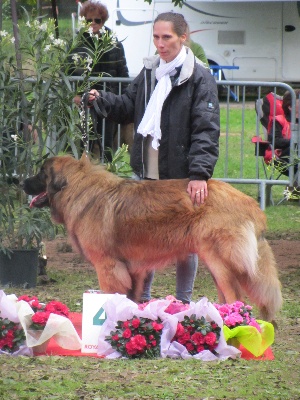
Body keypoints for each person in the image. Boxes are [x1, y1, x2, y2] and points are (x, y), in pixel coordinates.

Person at [88, 12, 220, 303]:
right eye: (156, 37)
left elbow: (206, 129)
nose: (160, 44)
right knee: (143, 242)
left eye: (167, 37)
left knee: (185, 244)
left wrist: (199, 174)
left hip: (179, 176)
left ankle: (183, 303)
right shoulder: (149, 71)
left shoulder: (199, 77)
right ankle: (143, 301)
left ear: (183, 37)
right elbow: (127, 106)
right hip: (145, 174)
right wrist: (103, 100)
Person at [72, 1, 129, 160]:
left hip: (108, 100)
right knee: (84, 142)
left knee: (107, 141)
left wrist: (123, 99)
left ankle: (108, 173)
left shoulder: (114, 43)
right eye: (89, 20)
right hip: (84, 101)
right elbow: (69, 70)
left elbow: (123, 73)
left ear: (103, 21)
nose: (94, 24)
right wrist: (74, 95)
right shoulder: (78, 43)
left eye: (98, 20)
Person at [267, 89, 300, 178]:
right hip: (284, 158)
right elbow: (274, 140)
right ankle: (293, 190)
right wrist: (294, 141)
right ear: (290, 107)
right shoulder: (280, 120)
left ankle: (292, 191)